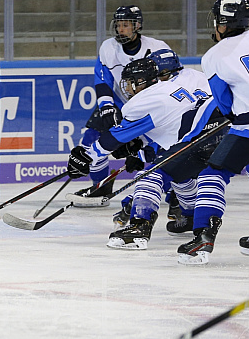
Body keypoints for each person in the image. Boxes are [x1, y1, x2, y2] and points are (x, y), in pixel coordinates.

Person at [66, 51, 225, 250]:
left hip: (198, 136)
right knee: (180, 175)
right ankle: (192, 215)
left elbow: (115, 137)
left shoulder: (143, 101)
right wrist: (140, 148)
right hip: (220, 131)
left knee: (151, 175)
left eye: (130, 83)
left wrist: (87, 156)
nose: (128, 89)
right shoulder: (172, 87)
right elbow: (166, 126)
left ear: (141, 82)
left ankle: (139, 229)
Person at [68, 5, 171, 207]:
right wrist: (106, 105)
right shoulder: (108, 48)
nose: (121, 29)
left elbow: (170, 78)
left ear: (137, 25)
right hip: (119, 102)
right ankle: (101, 187)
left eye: (126, 25)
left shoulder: (158, 48)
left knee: (157, 147)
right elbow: (102, 78)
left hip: (150, 107)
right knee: (91, 138)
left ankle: (174, 189)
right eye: (118, 25)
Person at [177, 0, 249, 265]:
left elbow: (224, 102)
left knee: (213, 173)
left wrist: (232, 114)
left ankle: (203, 237)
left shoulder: (214, 56)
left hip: (247, 126)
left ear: (223, 22)